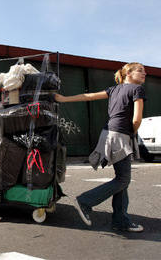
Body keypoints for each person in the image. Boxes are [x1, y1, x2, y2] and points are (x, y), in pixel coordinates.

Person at [55, 62, 147, 232]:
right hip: (121, 135)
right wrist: (132, 133)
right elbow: (136, 119)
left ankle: (121, 220)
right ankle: (85, 201)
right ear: (128, 73)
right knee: (123, 179)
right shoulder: (137, 90)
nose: (144, 74)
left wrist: (64, 99)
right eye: (140, 71)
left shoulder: (113, 89)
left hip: (108, 133)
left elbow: (88, 97)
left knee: (122, 180)